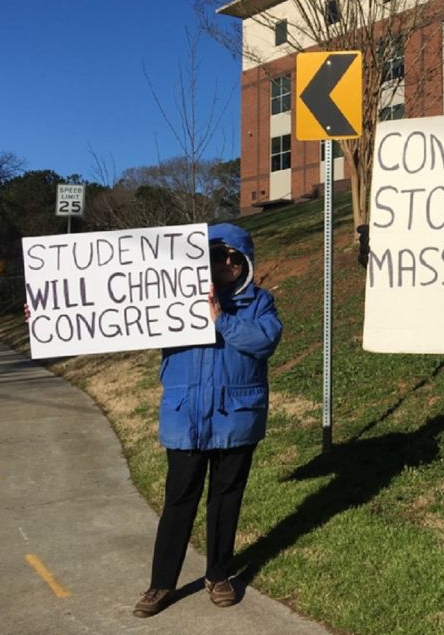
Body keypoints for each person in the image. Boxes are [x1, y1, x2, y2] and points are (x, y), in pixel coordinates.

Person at [133, 222, 283, 618]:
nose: (228, 262)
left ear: (247, 263)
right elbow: (121, 323)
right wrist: (50, 318)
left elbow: (264, 342)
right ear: (203, 257)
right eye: (219, 255)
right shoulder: (169, 297)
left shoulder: (259, 303)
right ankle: (160, 585)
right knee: (178, 502)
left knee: (225, 499)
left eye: (237, 257)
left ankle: (218, 575)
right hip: (185, 419)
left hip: (235, 420)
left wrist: (220, 319)